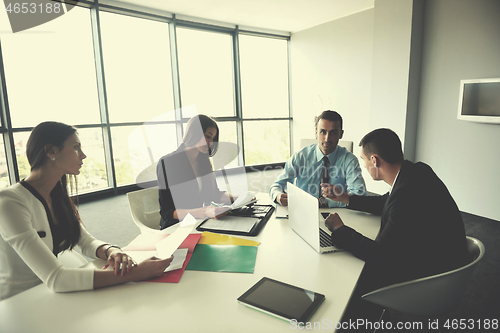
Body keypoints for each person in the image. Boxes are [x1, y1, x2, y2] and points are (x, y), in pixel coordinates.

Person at [0, 121, 173, 300]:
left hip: (52, 295)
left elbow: (85, 241)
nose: (83, 155)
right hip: (19, 301)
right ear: (52, 151)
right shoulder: (10, 202)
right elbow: (57, 279)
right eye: (76, 148)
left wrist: (111, 251)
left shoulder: (57, 196)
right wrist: (136, 273)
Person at [322, 128, 470, 326]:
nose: (364, 165)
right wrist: (345, 197)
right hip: (447, 259)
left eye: (364, 159)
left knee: (353, 276)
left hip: (432, 280)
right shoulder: (416, 172)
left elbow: (379, 255)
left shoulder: (405, 195)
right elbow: (387, 202)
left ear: (374, 160)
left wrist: (340, 229)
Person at [269, 110, 365, 208]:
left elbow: (359, 196)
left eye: (333, 133)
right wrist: (277, 196)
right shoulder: (300, 157)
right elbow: (276, 186)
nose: (327, 138)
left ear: (341, 134)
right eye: (323, 132)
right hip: (303, 211)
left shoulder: (349, 161)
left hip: (338, 215)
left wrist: (326, 202)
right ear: (316, 132)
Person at [157, 114, 235, 229]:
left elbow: (215, 194)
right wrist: (205, 212)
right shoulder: (168, 162)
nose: (211, 143)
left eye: (213, 138)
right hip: (177, 227)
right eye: (208, 136)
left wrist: (239, 198)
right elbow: (167, 212)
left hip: (199, 222)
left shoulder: (205, 162)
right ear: (194, 133)